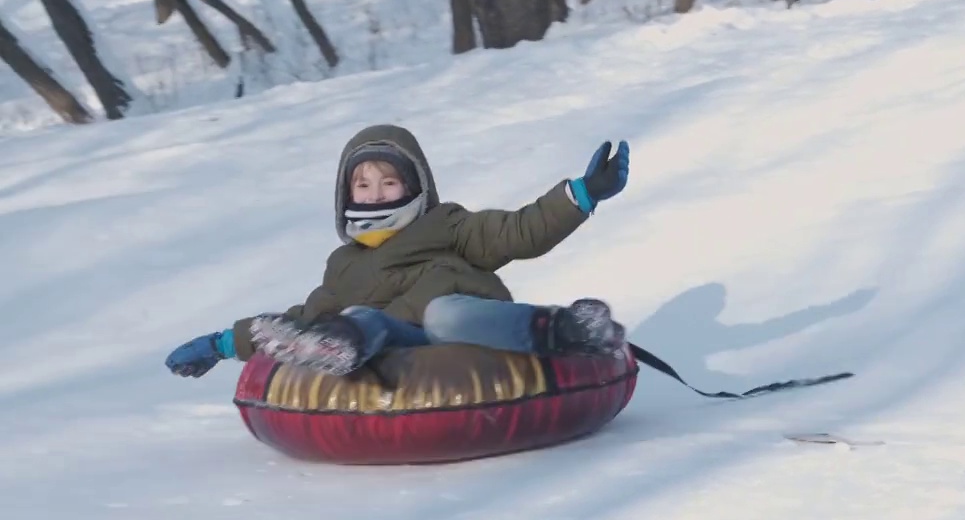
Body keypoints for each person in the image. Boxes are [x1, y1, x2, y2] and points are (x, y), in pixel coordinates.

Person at [165, 123, 629, 379]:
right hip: (401, 345)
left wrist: (579, 196)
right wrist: (225, 342)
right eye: (362, 184)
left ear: (415, 187)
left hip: (464, 327)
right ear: (345, 195)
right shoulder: (343, 266)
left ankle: (560, 328)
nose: (375, 193)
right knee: (358, 321)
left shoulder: (445, 224)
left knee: (443, 313)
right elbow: (306, 313)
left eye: (389, 182)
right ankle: (337, 349)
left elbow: (517, 232)